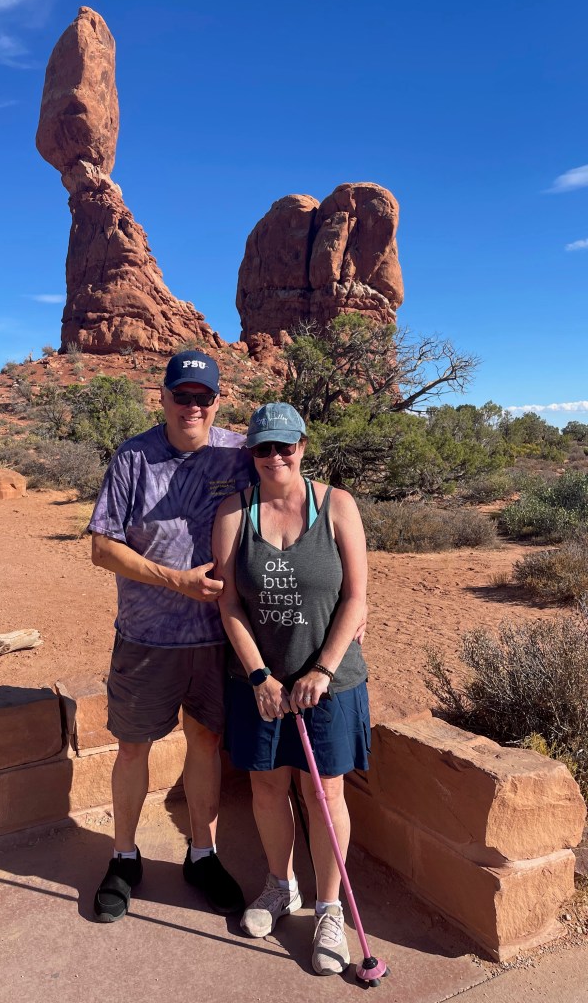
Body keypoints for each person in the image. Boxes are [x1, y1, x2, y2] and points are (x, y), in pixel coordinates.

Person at [88, 349, 255, 922]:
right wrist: (174, 580)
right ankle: (124, 856)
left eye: (202, 397)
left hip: (217, 637)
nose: (192, 406)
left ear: (217, 401)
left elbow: (290, 498)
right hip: (147, 636)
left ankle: (202, 854)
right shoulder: (135, 456)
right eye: (181, 395)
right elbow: (101, 547)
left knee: (206, 743)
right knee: (134, 746)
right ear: (162, 397)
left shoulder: (238, 452)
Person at [212, 401, 370, 975]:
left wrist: (321, 671)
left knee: (325, 795)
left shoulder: (337, 505)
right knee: (265, 789)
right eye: (263, 448)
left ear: (302, 446)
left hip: (329, 681)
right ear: (250, 453)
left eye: (285, 446)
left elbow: (356, 598)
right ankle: (281, 886)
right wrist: (259, 675)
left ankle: (330, 908)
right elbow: (229, 603)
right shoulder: (234, 511)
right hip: (260, 684)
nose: (274, 457)